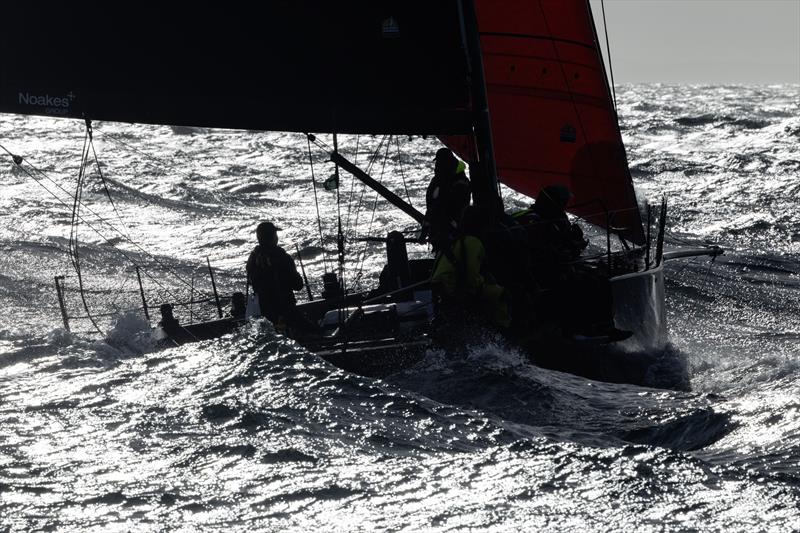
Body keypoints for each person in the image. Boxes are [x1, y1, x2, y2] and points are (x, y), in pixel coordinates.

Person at [431, 206, 510, 329]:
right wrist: (491, 286)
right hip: (455, 289)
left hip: (441, 290)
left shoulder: (454, 240)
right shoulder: (474, 242)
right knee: (504, 294)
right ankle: (503, 331)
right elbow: (471, 278)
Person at [246, 221, 308, 334]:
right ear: (272, 237)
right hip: (286, 310)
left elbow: (252, 283)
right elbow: (298, 285)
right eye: (275, 234)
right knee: (314, 331)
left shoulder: (252, 260)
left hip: (264, 313)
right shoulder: (282, 257)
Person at [421, 148, 471, 251]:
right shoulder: (438, 180)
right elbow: (432, 208)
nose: (437, 165)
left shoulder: (460, 184)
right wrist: (425, 232)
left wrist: (448, 232)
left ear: (448, 162)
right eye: (437, 162)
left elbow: (454, 211)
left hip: (454, 237)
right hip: (439, 235)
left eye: (440, 162)